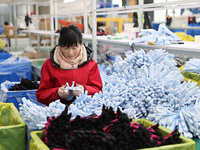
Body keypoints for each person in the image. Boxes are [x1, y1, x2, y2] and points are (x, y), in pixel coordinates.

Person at [36, 25, 103, 106]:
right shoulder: (49, 65)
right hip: (57, 112)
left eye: (74, 48)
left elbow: (98, 90)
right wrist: (57, 93)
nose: (70, 53)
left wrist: (84, 90)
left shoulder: (90, 64)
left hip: (85, 109)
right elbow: (41, 95)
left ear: (81, 44)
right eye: (66, 48)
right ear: (59, 46)